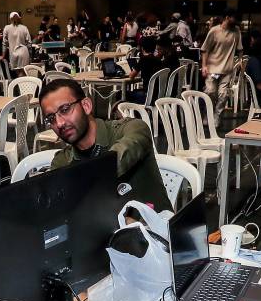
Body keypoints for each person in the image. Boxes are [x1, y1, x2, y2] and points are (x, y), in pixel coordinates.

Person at [38, 79, 172, 212]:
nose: (59, 123)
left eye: (65, 110)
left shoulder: (131, 129)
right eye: (51, 118)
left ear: (86, 106)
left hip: (156, 223)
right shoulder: (62, 161)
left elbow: (117, 159)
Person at [200, 13, 243, 115]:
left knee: (223, 95)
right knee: (210, 91)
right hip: (212, 69)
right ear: (227, 17)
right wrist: (204, 66)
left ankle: (217, 117)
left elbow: (240, 49)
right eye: (235, 19)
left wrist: (240, 60)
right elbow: (205, 49)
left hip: (227, 69)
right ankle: (208, 114)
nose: (237, 22)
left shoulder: (236, 31)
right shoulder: (214, 31)